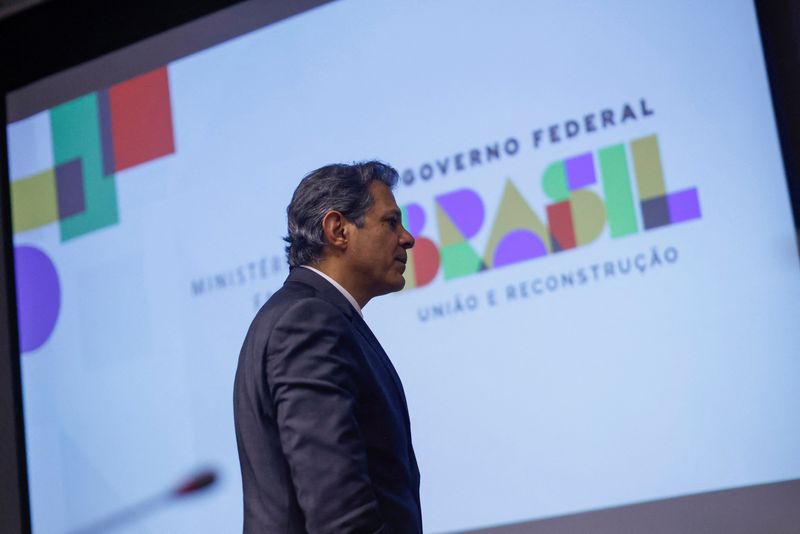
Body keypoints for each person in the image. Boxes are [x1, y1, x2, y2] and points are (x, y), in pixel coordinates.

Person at [233, 161, 422, 533]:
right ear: (338, 230)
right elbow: (338, 509)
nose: (407, 238)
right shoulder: (307, 321)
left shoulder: (315, 316)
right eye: (390, 222)